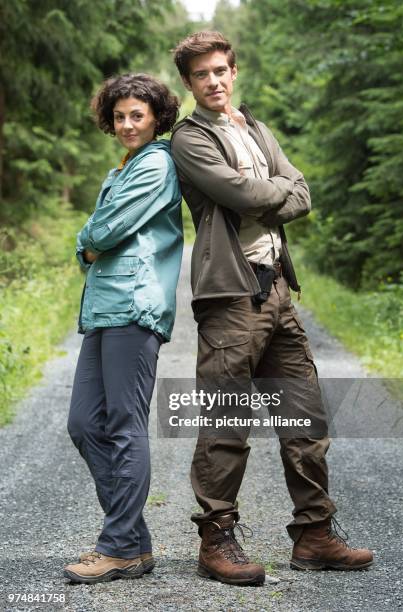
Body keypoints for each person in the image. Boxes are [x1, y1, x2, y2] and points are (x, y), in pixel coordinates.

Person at [171, 31, 373, 586]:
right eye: (202, 75)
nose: (214, 81)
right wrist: (276, 189)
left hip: (278, 290)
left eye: (221, 71)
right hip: (230, 297)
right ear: (189, 83)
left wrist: (275, 189)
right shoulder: (188, 139)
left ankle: (314, 535)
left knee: (305, 417)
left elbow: (301, 191)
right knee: (227, 421)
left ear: (233, 73)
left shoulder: (256, 128)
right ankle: (216, 540)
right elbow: (243, 195)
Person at [64, 73, 183, 584]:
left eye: (138, 114)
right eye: (120, 116)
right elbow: (101, 232)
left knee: (123, 425)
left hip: (135, 305)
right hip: (105, 308)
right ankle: (132, 542)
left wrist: (85, 242)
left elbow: (106, 231)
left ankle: (116, 546)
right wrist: (89, 243)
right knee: (85, 424)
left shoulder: (155, 163)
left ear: (156, 117)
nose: (128, 124)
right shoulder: (126, 166)